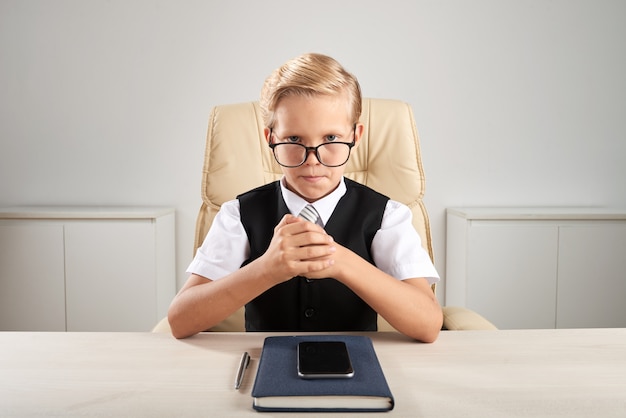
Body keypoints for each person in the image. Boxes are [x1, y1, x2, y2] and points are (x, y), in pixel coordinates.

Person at [168, 53, 443, 342]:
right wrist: (266, 269)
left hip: (356, 366)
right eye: (295, 140)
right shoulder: (238, 214)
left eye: (331, 139)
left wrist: (340, 261)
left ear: (356, 136)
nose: (313, 160)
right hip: (265, 364)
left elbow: (427, 324)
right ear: (271, 139)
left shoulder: (387, 216)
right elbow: (180, 320)